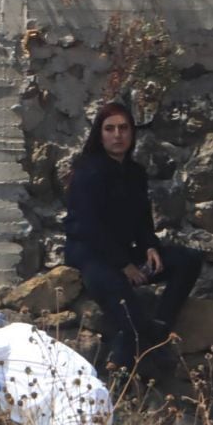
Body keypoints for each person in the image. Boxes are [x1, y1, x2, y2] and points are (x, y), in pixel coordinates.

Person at [63, 100, 200, 377]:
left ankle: (160, 326)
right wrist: (124, 265)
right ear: (99, 135)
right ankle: (129, 367)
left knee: (188, 260)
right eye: (110, 129)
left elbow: (141, 219)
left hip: (127, 253)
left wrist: (150, 246)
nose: (117, 135)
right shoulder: (87, 172)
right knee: (128, 312)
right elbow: (90, 226)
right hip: (92, 256)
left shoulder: (135, 173)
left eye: (124, 128)